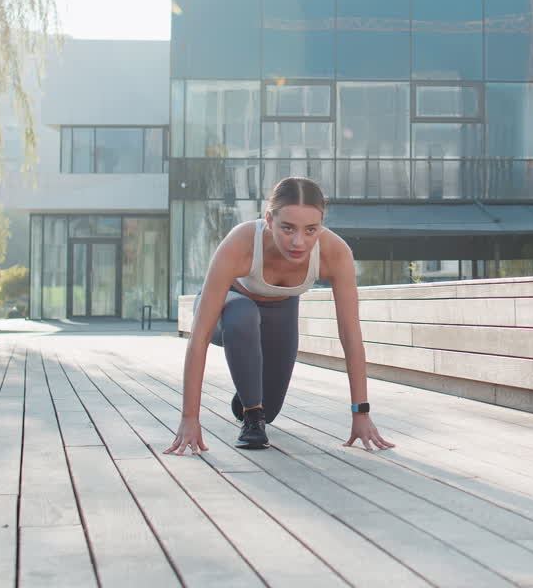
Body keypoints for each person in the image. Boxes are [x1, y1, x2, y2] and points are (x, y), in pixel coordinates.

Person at [165, 176, 394, 455]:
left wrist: (361, 413)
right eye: (287, 228)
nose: (299, 242)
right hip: (229, 311)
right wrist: (190, 418)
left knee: (269, 411)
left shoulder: (335, 253)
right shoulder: (241, 242)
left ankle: (250, 399)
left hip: (280, 311)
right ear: (269, 219)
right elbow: (198, 337)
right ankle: (252, 414)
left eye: (311, 230)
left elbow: (350, 334)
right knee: (243, 313)